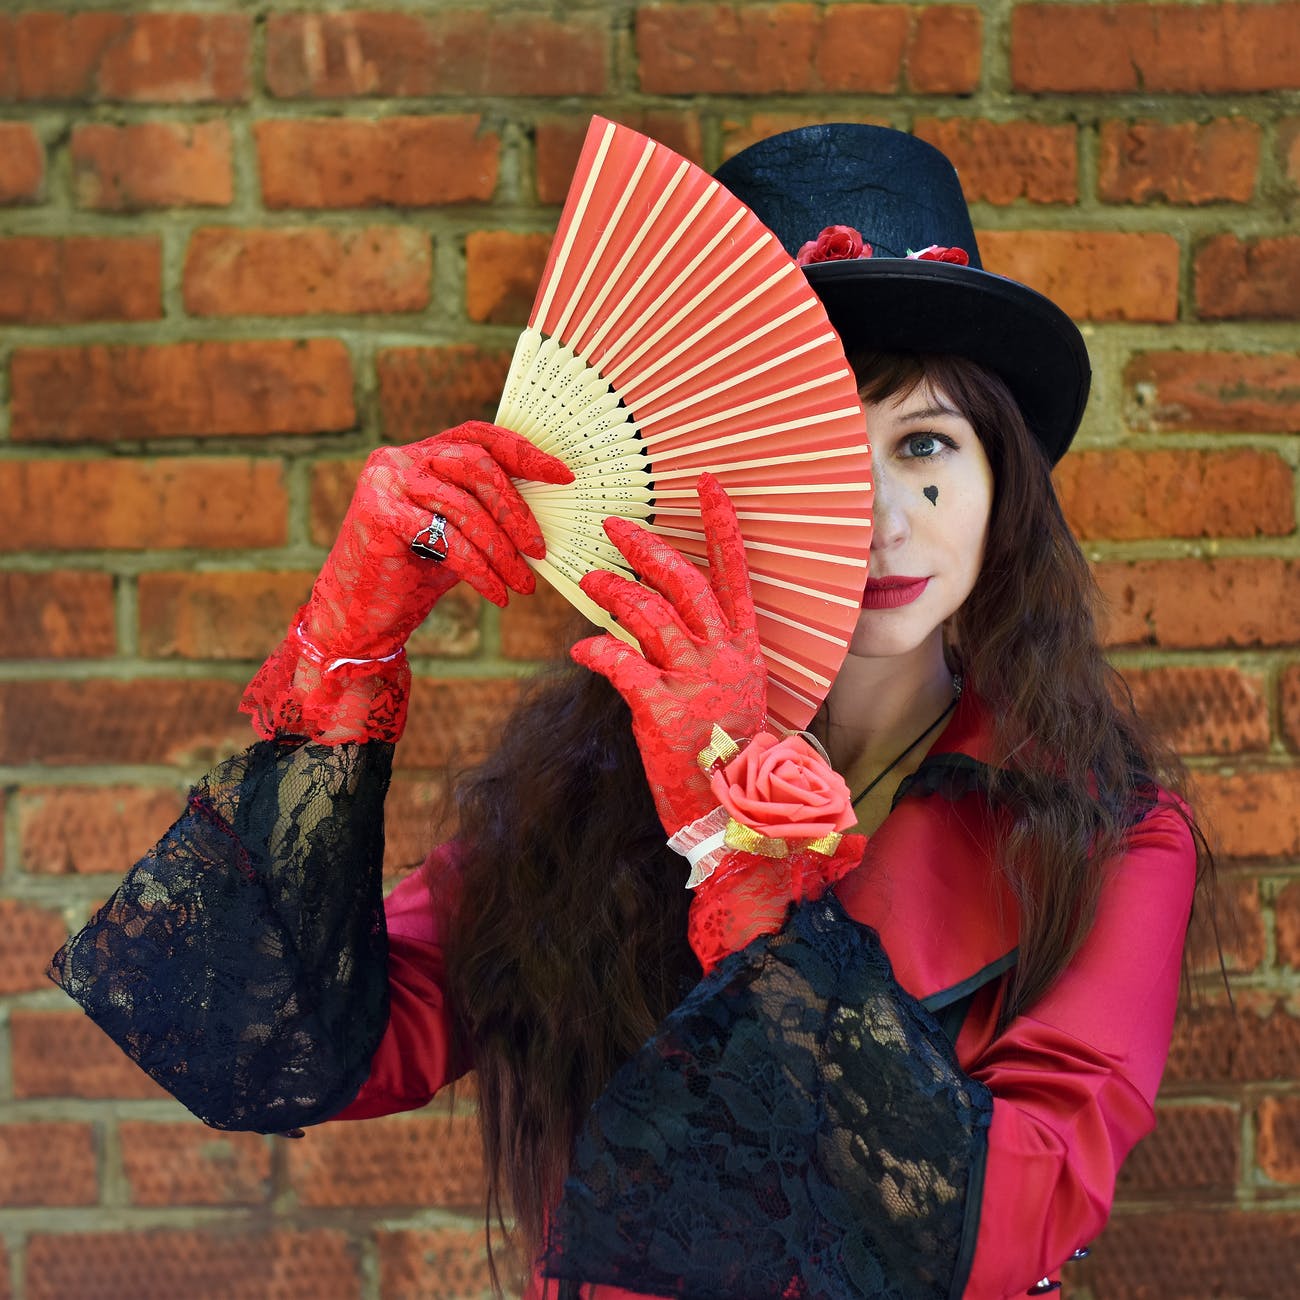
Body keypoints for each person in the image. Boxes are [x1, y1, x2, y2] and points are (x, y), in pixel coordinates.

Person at [50, 125, 1212, 1300]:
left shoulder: (1110, 834)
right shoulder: (581, 799)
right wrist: (346, 653)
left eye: (923, 446)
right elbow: (276, 1055)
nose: (878, 524)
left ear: (1001, 483)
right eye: (813, 460)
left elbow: (1013, 1216)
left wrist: (742, 860)